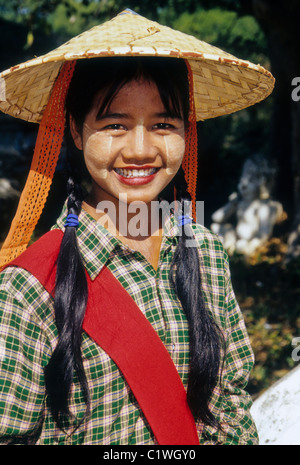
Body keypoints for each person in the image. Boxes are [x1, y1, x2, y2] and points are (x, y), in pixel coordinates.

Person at [0, 9, 274, 445]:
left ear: (189, 131)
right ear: (74, 129)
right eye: (115, 125)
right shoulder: (29, 291)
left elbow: (229, 404)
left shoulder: (204, 251)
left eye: (164, 124)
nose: (142, 150)